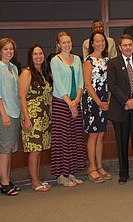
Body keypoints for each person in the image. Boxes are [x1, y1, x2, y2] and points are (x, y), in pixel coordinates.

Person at [107, 34, 133, 184]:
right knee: (122, 143)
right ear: (120, 47)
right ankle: (123, 173)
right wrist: (126, 101)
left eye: (130, 45)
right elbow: (112, 85)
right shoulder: (113, 63)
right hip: (121, 109)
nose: (128, 47)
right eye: (124, 45)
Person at [50, 31, 86, 187]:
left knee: (75, 138)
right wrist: (69, 103)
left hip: (75, 102)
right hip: (61, 103)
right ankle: (61, 175)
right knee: (63, 139)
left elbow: (80, 82)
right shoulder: (55, 60)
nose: (67, 45)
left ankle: (71, 172)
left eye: (69, 42)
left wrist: (76, 100)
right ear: (58, 44)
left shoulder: (77, 59)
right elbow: (58, 83)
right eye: (64, 42)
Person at [0, 38, 22, 196]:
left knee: (10, 149)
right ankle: (3, 183)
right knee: (4, 149)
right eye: (6, 49)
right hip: (3, 113)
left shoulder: (14, 68)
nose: (9, 52)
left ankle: (8, 180)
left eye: (11, 49)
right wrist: (3, 114)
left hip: (15, 112)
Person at [18, 44, 52, 192]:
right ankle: (34, 181)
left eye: (40, 53)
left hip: (43, 116)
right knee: (34, 149)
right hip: (32, 115)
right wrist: (26, 118)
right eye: (35, 54)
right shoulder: (27, 73)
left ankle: (37, 178)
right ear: (30, 57)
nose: (38, 56)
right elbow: (21, 97)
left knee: (39, 149)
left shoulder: (42, 72)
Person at [83, 32, 112, 183]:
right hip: (92, 100)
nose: (100, 43)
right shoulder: (88, 61)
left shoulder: (108, 60)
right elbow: (87, 85)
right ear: (92, 43)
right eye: (97, 41)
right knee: (93, 134)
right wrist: (99, 102)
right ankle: (92, 167)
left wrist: (107, 100)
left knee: (101, 134)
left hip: (105, 100)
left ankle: (100, 165)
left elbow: (111, 82)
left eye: (102, 41)